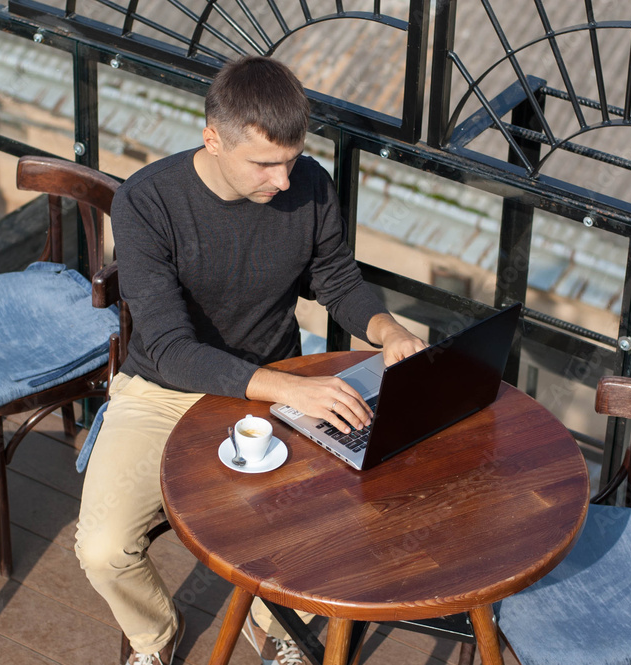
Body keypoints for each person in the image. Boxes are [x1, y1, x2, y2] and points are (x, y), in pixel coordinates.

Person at [73, 55, 426, 665]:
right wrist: (288, 391)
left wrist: (388, 331)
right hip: (164, 390)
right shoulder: (147, 202)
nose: (284, 181)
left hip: (283, 381)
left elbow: (337, 280)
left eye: (290, 160)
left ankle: (276, 623)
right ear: (213, 139)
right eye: (265, 163)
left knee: (331, 528)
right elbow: (166, 346)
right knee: (102, 549)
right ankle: (156, 636)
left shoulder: (309, 183)